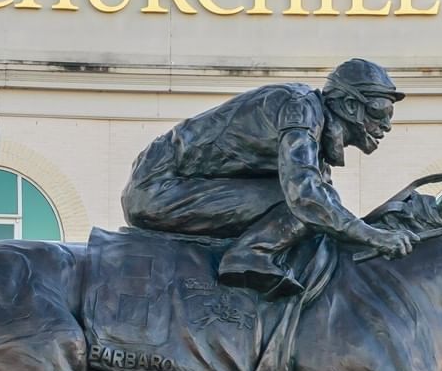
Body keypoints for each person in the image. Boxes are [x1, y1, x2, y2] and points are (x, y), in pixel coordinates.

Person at [121, 59, 416, 298]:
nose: (386, 126)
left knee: (321, 200)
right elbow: (305, 197)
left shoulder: (314, 135)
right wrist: (372, 235)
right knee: (308, 202)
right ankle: (248, 257)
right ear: (351, 106)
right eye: (381, 113)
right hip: (158, 191)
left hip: (182, 187)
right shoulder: (299, 108)